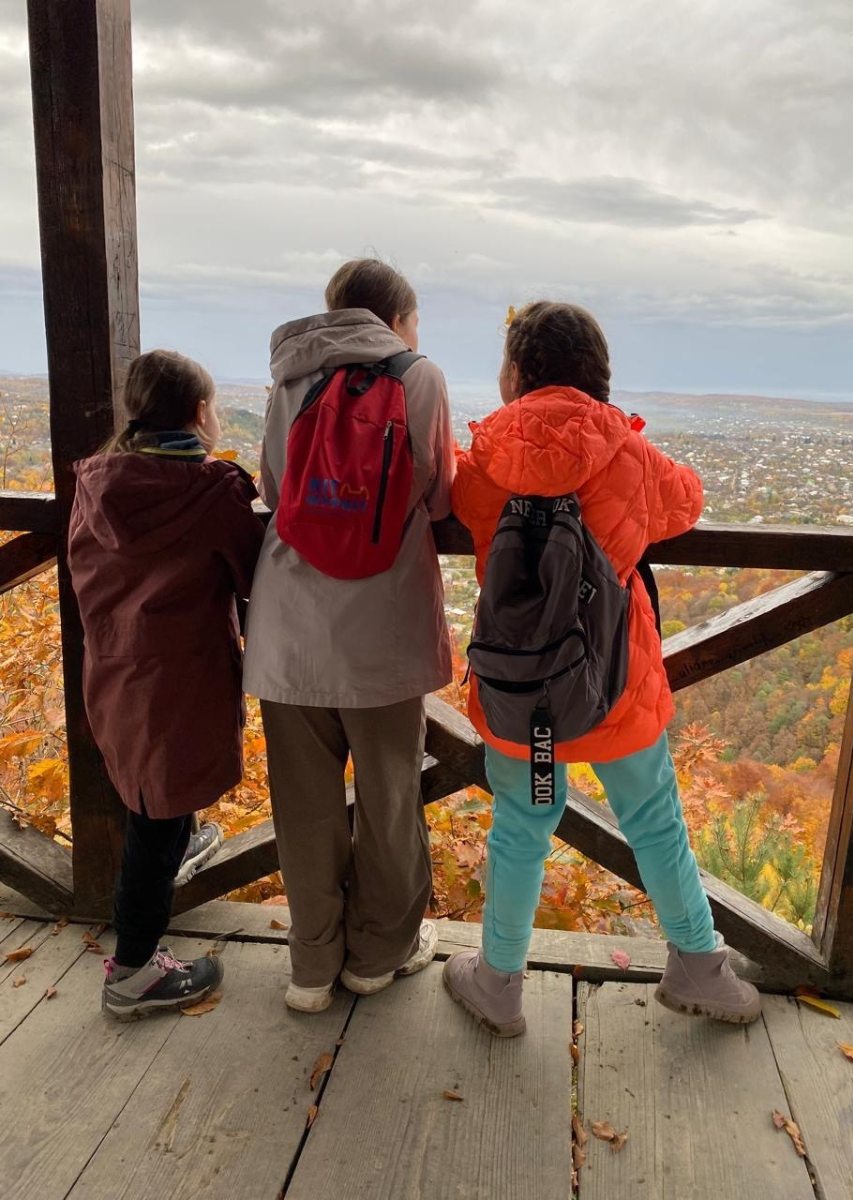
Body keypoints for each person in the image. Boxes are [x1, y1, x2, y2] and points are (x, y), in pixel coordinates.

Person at [443, 301, 761, 1036]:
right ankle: (699, 964)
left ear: (515, 373)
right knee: (654, 823)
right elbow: (686, 501)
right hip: (615, 688)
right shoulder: (627, 454)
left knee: (523, 826)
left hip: (525, 694)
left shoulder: (486, 458)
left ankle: (499, 982)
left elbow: (456, 501)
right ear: (598, 374)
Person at [243, 258, 454, 1013]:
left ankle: (311, 968)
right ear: (396, 319)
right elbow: (440, 495)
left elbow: (274, 488)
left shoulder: (290, 373)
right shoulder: (419, 376)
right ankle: (377, 955)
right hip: (382, 629)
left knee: (304, 809)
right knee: (390, 799)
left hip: (287, 629)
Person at [68, 349, 264, 1019]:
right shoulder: (210, 491)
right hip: (181, 677)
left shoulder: (96, 483)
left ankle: (182, 846)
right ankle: (132, 972)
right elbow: (255, 576)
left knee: (150, 795)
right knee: (155, 822)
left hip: (114, 670)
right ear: (201, 413)